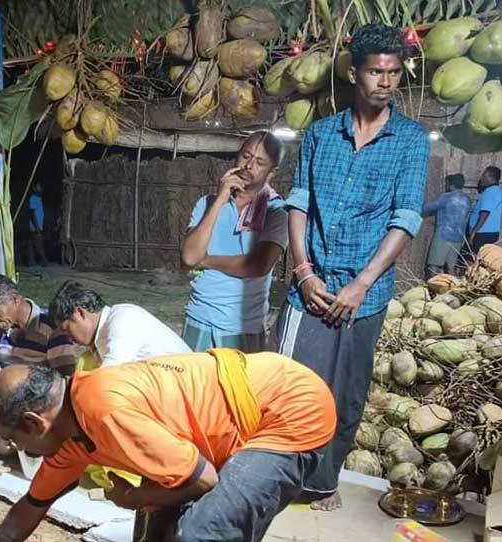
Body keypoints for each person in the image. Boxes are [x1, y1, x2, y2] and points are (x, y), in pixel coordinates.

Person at [274, 24, 429, 511]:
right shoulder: (321, 134)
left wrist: (363, 284)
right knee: (290, 385)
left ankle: (322, 482)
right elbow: (299, 202)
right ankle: (275, 476)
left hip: (364, 296)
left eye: (393, 72)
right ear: (353, 74)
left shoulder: (409, 140)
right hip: (310, 286)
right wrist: (302, 270)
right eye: (375, 71)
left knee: (346, 392)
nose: (385, 81)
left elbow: (405, 217)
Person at [0, 350, 337, 542]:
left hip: (288, 409)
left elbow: (204, 480)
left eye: (16, 441)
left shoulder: (103, 410)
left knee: (204, 531)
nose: (19, 450)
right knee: (155, 528)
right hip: (236, 426)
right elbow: (32, 506)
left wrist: (135, 497)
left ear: (34, 421)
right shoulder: (67, 433)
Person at [180, 131, 288, 353]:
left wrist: (206, 260)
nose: (249, 166)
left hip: (241, 327)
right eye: (245, 156)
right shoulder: (207, 203)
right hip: (198, 317)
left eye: (259, 162)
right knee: (194, 388)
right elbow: (190, 256)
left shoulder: (277, 211)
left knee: (237, 389)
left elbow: (257, 265)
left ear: (271, 172)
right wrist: (220, 199)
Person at [0, 273, 80, 455]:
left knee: (25, 448)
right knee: (4, 449)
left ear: (15, 300)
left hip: (38, 407)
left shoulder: (52, 327)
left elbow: (66, 379)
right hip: (6, 403)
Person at [49, 280, 191, 368]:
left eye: (67, 329)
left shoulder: (123, 317)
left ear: (79, 313)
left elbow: (110, 374)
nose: (69, 339)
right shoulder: (95, 348)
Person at [422, 174, 471, 277]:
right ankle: (452, 290)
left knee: (433, 266)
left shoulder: (446, 197)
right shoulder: (466, 199)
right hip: (458, 237)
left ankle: (434, 290)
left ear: (450, 184)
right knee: (451, 267)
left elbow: (429, 208)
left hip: (444, 235)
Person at [467, 166, 502, 254]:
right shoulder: (499, 191)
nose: (481, 178)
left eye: (484, 175)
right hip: (492, 232)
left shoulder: (490, 192)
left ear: (491, 177)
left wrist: (473, 233)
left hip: (482, 233)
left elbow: (484, 214)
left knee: (472, 259)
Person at [27, 183, 49, 266]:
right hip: (35, 226)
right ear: (34, 188)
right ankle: (44, 261)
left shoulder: (39, 198)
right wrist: (37, 227)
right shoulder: (33, 198)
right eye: (38, 187)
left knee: (31, 244)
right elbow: (32, 213)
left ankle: (31, 261)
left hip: (38, 225)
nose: (40, 189)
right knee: (38, 244)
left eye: (41, 187)